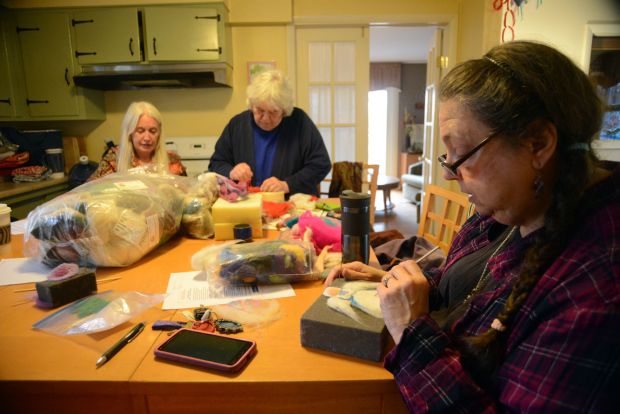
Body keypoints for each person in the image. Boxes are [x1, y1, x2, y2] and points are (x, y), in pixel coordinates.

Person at [326, 41, 619, 412]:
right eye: (446, 156)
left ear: (538, 143)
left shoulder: (594, 295)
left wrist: (412, 333)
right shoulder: (518, 206)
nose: (449, 174)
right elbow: (467, 290)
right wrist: (391, 282)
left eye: (461, 153)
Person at [208, 69, 331, 196]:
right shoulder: (237, 125)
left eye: (273, 112)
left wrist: (287, 184)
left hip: (292, 206)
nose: (265, 119)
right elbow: (216, 163)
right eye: (260, 110)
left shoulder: (300, 122)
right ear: (251, 105)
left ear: (284, 110)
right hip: (246, 204)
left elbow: (321, 164)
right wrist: (231, 172)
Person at [88, 101, 186, 181]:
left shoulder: (171, 161)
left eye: (153, 131)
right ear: (130, 133)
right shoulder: (113, 160)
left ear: (159, 133)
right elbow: (92, 192)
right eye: (140, 131)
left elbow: (186, 195)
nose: (147, 138)